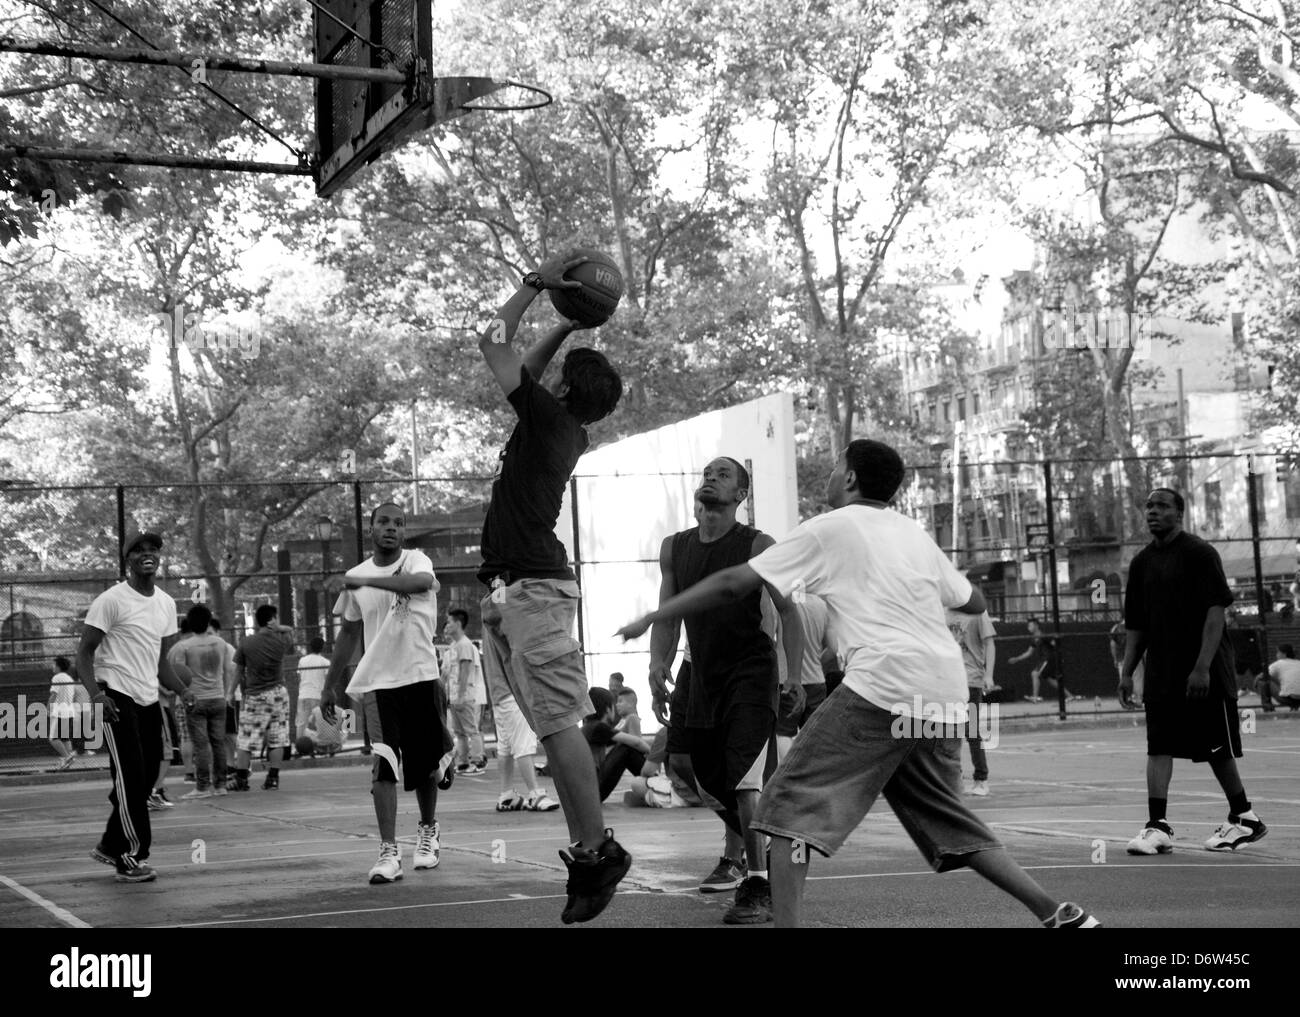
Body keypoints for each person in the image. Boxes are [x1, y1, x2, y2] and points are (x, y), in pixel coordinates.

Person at [618, 439, 1101, 929]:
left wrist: (654, 616)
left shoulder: (829, 527)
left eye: (834, 467)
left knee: (784, 812)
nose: (828, 475)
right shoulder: (911, 533)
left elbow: (730, 585)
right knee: (951, 824)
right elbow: (973, 601)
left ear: (850, 479)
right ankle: (1059, 914)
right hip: (944, 697)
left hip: (881, 690)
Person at [474, 252, 630, 924]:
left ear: (564, 392)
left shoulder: (549, 421)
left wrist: (535, 288)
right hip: (524, 589)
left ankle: (598, 849)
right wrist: (568, 324)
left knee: (557, 724)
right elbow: (524, 369)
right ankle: (588, 842)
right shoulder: (560, 426)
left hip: (534, 588)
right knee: (552, 723)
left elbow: (493, 342)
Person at [644, 456, 802, 925]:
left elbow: (789, 612)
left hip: (750, 671)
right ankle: (771, 840)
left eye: (724, 475)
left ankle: (756, 881)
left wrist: (791, 674)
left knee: (742, 779)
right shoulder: (675, 547)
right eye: (708, 473)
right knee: (686, 765)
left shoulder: (757, 544)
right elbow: (669, 612)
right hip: (701, 670)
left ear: (740, 496)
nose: (711, 478)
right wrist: (657, 663)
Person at [1121, 488, 1267, 855]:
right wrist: (1126, 672)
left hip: (1205, 670)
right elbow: (1136, 625)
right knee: (1159, 746)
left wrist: (1202, 667)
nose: (1153, 512)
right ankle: (1157, 825)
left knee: (1216, 748)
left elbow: (1216, 614)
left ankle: (1244, 816)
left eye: (1162, 506)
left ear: (1179, 513)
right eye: (1149, 506)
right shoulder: (1141, 563)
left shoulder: (1200, 554)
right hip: (1162, 672)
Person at [321, 502, 454, 884]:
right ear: (372, 527)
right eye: (384, 522)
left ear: (404, 530)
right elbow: (348, 632)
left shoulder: (416, 561)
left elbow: (418, 586)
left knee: (425, 763)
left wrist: (365, 583)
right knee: (384, 763)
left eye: (398, 522)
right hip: (379, 682)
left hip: (420, 674)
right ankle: (389, 851)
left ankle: (428, 831)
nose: (391, 528)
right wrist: (331, 685)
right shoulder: (357, 575)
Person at [76, 529, 190, 883]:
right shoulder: (111, 600)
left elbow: (161, 665)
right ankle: (129, 856)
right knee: (130, 778)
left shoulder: (166, 604)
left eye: (153, 548)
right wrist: (97, 696)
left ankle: (111, 843)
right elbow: (84, 653)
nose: (148, 553)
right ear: (127, 560)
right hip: (115, 697)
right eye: (139, 549)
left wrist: (186, 693)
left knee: (143, 780)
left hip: (147, 698)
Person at [172, 604, 233, 799]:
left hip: (195, 700)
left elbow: (178, 676)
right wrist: (226, 694)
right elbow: (227, 670)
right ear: (209, 621)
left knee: (201, 745)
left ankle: (202, 787)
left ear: (189, 623)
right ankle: (221, 785)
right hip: (218, 698)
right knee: (218, 743)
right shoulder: (220, 643)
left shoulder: (183, 647)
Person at [231, 605, 293, 791]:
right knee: (277, 737)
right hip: (279, 694)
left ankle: (242, 780)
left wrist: (230, 692)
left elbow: (239, 671)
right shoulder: (281, 641)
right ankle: (273, 778)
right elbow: (290, 634)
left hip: (255, 695)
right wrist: (282, 628)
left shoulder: (246, 642)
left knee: (246, 739)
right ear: (272, 619)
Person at [489, 659, 560, 812]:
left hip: (499, 692)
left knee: (506, 747)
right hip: (514, 691)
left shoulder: (488, 634)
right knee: (524, 745)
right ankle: (535, 794)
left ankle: (507, 794)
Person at [775, 595, 837, 764]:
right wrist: (816, 663)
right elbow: (833, 648)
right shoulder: (822, 605)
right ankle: (813, 779)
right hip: (817, 682)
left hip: (786, 680)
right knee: (814, 736)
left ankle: (789, 775)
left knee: (783, 733)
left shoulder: (781, 603)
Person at [947, 604, 997, 796]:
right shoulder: (944, 611)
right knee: (948, 731)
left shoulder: (977, 612)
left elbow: (990, 643)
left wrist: (989, 675)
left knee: (972, 730)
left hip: (971, 679)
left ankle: (981, 778)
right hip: (950, 679)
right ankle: (954, 777)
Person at [582, 687, 653, 802]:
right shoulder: (598, 727)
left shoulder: (588, 727)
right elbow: (636, 742)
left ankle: (650, 782)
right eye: (614, 705)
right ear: (608, 709)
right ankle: (656, 781)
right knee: (626, 748)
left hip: (587, 789)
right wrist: (653, 755)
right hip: (593, 790)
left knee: (623, 746)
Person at [442, 609, 487, 776]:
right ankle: (462, 762)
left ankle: (477, 762)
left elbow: (465, 671)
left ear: (458, 624)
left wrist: (460, 696)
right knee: (459, 732)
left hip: (464, 696)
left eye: (450, 622)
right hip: (454, 697)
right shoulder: (455, 646)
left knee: (471, 730)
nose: (447, 625)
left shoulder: (465, 645)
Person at [295, 636, 330, 742]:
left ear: (310, 647)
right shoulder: (325, 662)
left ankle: (300, 747)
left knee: (301, 723)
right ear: (322, 647)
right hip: (319, 696)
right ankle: (322, 745)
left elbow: (298, 677)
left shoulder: (302, 660)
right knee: (320, 722)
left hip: (304, 695)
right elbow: (328, 680)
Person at [48, 656, 79, 771]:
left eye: (54, 664)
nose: (53, 667)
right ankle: (69, 760)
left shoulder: (57, 678)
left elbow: (54, 694)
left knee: (53, 739)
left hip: (60, 712)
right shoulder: (69, 678)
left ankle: (67, 757)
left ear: (58, 666)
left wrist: (48, 708)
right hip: (70, 712)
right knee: (65, 738)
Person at [1262, 643, 1300, 711]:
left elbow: (1262, 675)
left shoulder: (1279, 663)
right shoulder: (1298, 662)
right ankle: (1295, 707)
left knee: (1262, 681)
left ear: (1284, 654)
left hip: (1287, 699)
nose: (1276, 655)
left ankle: (1267, 707)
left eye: (1278, 652)